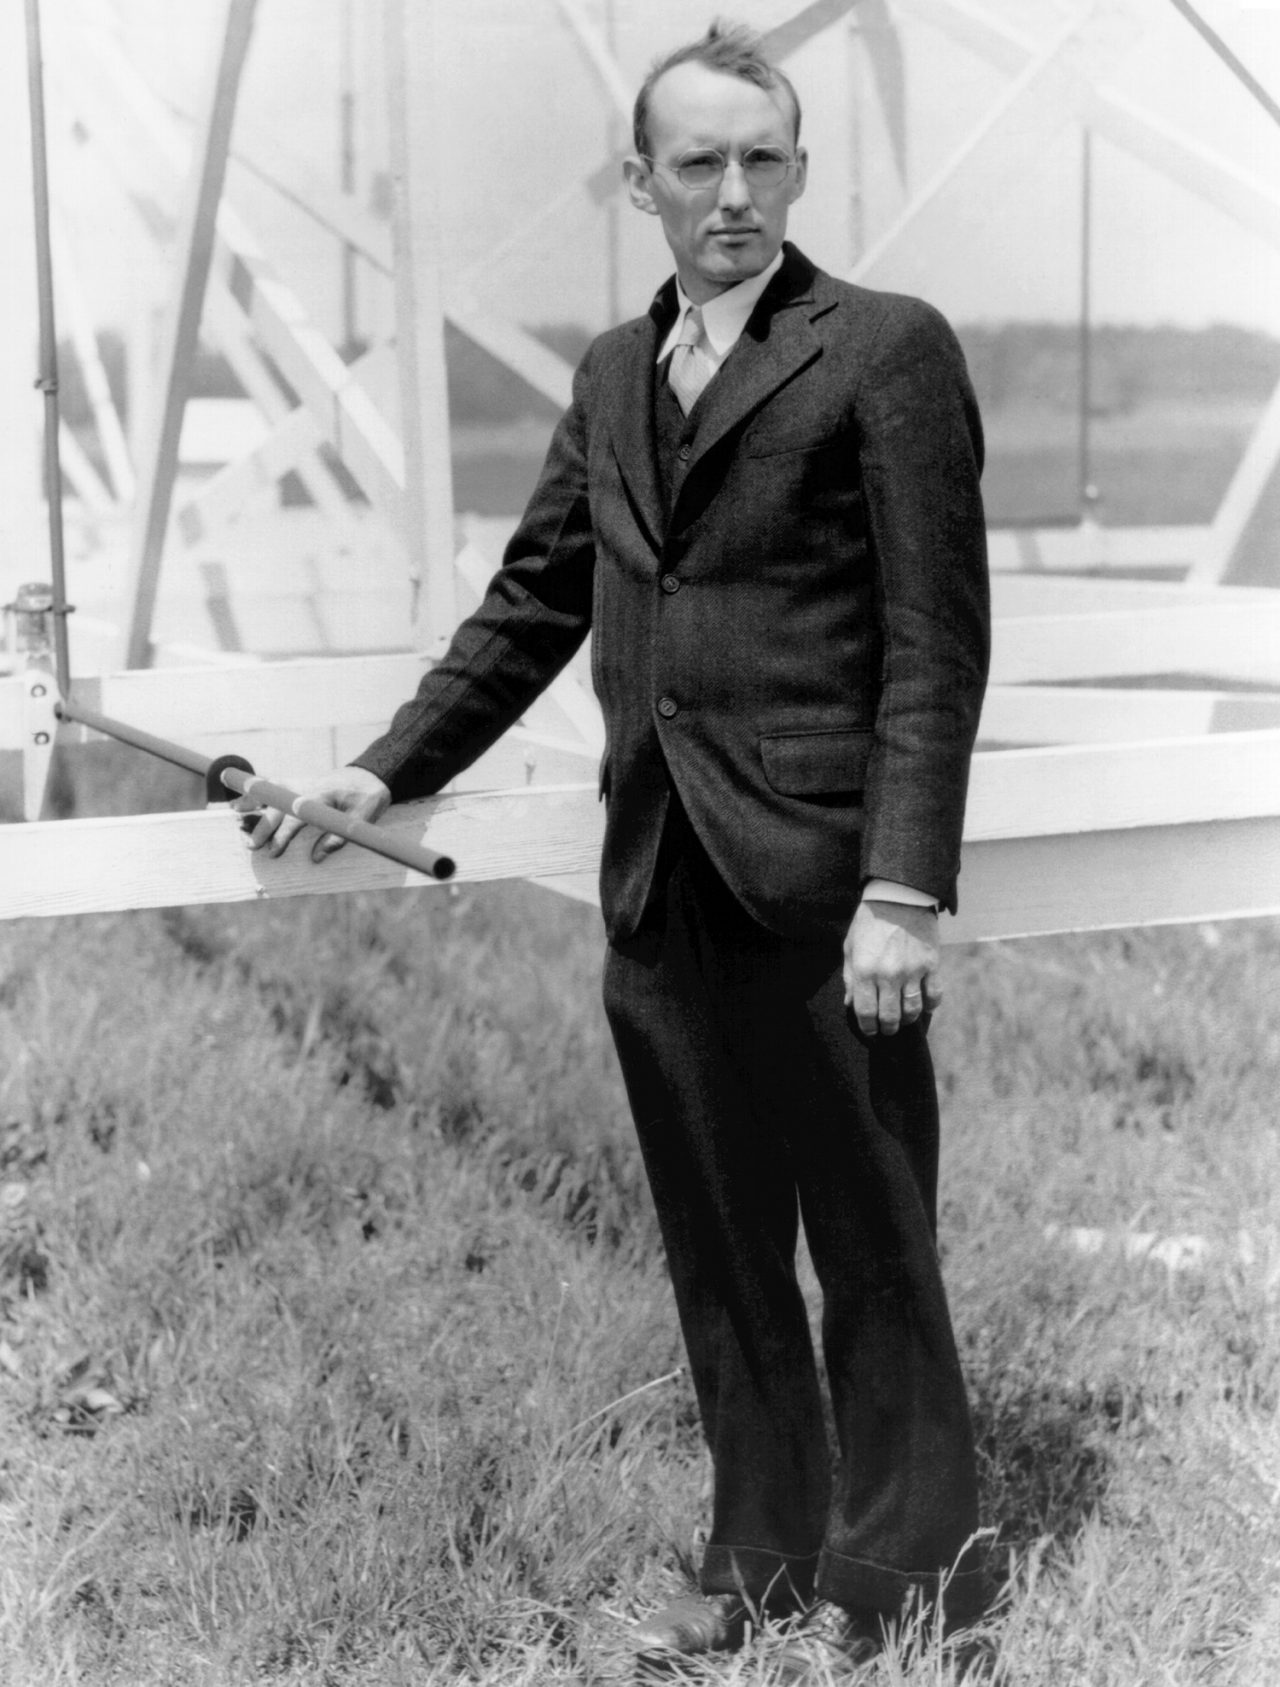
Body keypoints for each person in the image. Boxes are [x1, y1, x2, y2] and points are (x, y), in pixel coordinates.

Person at [242, 20, 991, 1670]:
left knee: (873, 1246)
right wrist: (383, 773)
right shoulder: (606, 372)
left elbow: (938, 644)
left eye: (764, 161)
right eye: (700, 163)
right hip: (656, 890)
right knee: (722, 1252)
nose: (734, 194)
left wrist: (900, 889)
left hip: (821, 892)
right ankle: (761, 1561)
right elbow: (529, 609)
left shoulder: (885, 351)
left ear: (799, 171)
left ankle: (913, 1583)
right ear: (637, 182)